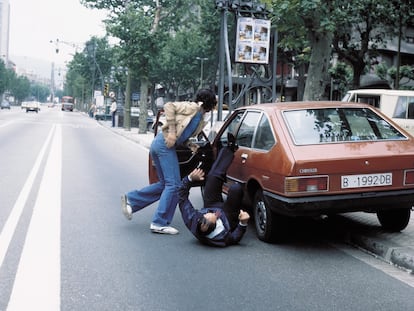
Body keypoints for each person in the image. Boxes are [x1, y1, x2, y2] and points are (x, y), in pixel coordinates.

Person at [121, 89, 217, 235]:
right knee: (174, 185)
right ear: (208, 103)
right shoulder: (193, 107)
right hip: (164, 145)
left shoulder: (200, 118)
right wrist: (172, 132)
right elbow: (169, 106)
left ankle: (131, 200)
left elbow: (181, 136)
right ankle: (159, 222)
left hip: (160, 145)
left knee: (165, 184)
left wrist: (191, 145)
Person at [177, 135, 250, 247]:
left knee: (212, 177)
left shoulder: (192, 219)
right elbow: (235, 237)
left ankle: (229, 148)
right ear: (217, 224)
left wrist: (190, 179)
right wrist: (242, 223)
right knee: (236, 189)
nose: (213, 213)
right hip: (228, 216)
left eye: (207, 214)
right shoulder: (223, 238)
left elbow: (181, 196)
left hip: (211, 204)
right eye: (214, 216)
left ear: (201, 218)